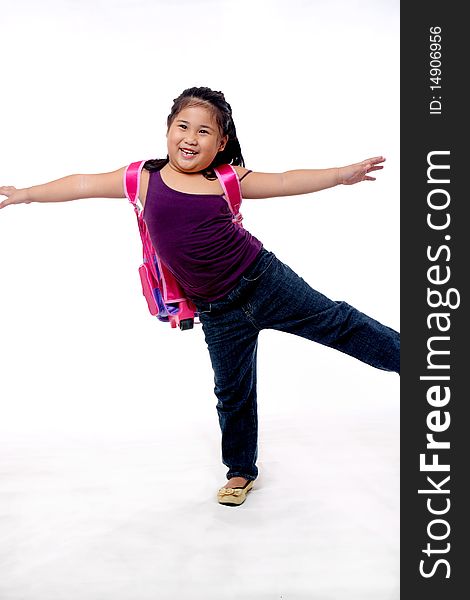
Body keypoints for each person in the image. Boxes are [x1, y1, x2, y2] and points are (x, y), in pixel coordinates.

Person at [0, 86, 399, 506]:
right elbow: (81, 182)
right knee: (232, 392)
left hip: (265, 282)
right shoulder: (142, 178)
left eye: (204, 131)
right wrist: (25, 193)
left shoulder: (225, 179)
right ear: (168, 130)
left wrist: (340, 175)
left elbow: (283, 181)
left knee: (340, 323)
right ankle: (241, 471)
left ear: (221, 142)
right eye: (183, 126)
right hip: (217, 311)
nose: (191, 138)